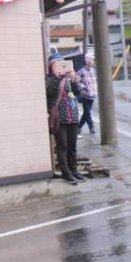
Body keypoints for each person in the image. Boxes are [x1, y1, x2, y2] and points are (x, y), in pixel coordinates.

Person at [46, 57, 86, 185]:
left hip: (72, 116)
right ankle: (66, 173)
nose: (60, 66)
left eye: (62, 63)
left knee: (72, 146)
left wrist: (73, 78)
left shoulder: (68, 79)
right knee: (62, 146)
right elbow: (50, 91)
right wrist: (57, 77)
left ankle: (73, 170)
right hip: (59, 118)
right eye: (56, 64)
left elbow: (78, 92)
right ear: (51, 66)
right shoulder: (49, 79)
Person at [76, 54, 97, 135]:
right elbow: (77, 81)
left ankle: (78, 127)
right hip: (85, 95)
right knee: (87, 112)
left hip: (92, 94)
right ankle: (91, 126)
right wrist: (83, 87)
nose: (93, 62)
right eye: (92, 60)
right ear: (88, 61)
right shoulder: (81, 71)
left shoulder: (94, 70)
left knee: (86, 112)